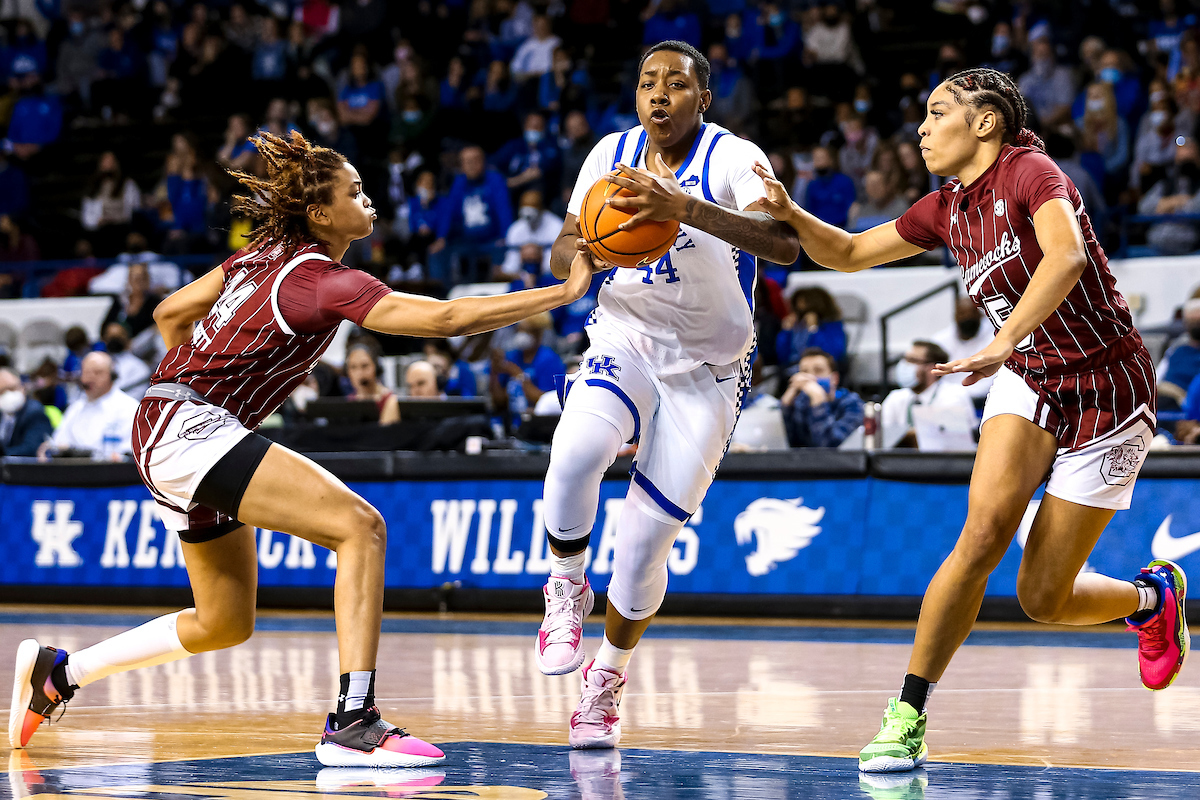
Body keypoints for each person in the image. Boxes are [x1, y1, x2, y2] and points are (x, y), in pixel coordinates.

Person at [9, 130, 602, 763]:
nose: (367, 199)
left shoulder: (259, 257)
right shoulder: (321, 279)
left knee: (224, 621)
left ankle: (60, 674)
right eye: (356, 191)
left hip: (169, 423)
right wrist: (564, 294)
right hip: (190, 428)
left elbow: (167, 315)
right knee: (361, 528)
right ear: (321, 213)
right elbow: (445, 320)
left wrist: (217, 359)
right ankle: (353, 721)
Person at [753, 67, 1185, 774]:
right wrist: (794, 214)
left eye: (937, 112)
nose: (921, 128)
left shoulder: (1029, 171)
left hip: (1109, 385)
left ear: (985, 121)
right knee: (981, 536)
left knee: (1042, 597)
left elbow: (1068, 255)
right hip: (1030, 375)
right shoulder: (944, 208)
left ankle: (1149, 598)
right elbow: (853, 252)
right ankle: (907, 715)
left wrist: (1003, 337)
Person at [533, 40, 799, 749]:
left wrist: (683, 208)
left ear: (702, 99)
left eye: (676, 84)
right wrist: (585, 254)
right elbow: (562, 243)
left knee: (645, 546)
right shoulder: (609, 152)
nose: (659, 93)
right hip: (624, 338)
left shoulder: (734, 157)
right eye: (647, 80)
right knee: (575, 450)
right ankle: (564, 587)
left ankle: (607, 680)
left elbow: (783, 244)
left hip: (710, 370)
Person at [37, 352, 137, 461]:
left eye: (97, 373)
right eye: (86, 373)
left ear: (112, 376)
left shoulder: (129, 408)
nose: (90, 379)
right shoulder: (75, 408)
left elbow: (129, 454)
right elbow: (57, 443)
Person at [879, 340, 977, 449]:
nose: (904, 365)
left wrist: (903, 435)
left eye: (912, 360)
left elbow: (948, 441)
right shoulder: (896, 397)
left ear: (933, 368)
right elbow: (882, 436)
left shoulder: (954, 395)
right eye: (905, 359)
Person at [779, 347, 863, 447]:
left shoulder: (852, 404)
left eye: (818, 371)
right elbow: (788, 447)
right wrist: (786, 406)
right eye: (804, 372)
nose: (810, 378)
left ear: (834, 378)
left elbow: (830, 448)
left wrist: (818, 401)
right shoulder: (801, 404)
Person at [931, 296, 996, 399]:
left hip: (986, 397)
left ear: (980, 315)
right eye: (962, 314)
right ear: (955, 316)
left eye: (971, 314)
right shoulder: (941, 340)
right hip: (948, 398)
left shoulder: (994, 336)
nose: (967, 318)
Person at [0, 368, 52, 457]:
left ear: (22, 387)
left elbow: (31, 449)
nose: (8, 394)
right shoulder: (2, 413)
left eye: (12, 388)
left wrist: (3, 455)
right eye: (2, 391)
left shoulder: (34, 412)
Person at [1158, 298, 1200, 409]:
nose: (1196, 326)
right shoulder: (1176, 350)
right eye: (1192, 321)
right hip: (1163, 393)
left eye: (1198, 321)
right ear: (1185, 323)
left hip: (1185, 401)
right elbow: (1158, 376)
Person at [344, 343, 399, 425]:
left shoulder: (390, 400)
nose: (359, 373)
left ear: (376, 367)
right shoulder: (348, 402)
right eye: (353, 367)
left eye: (365, 366)